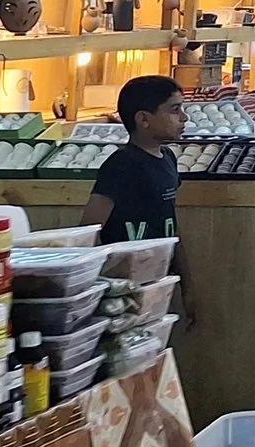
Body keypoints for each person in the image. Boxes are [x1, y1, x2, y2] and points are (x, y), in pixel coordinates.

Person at [81, 76, 200, 330]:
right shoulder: (121, 165)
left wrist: (186, 285)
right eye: (174, 109)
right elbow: (90, 230)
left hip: (157, 281)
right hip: (123, 289)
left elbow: (170, 225)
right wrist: (104, 287)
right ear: (143, 119)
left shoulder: (167, 158)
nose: (184, 118)